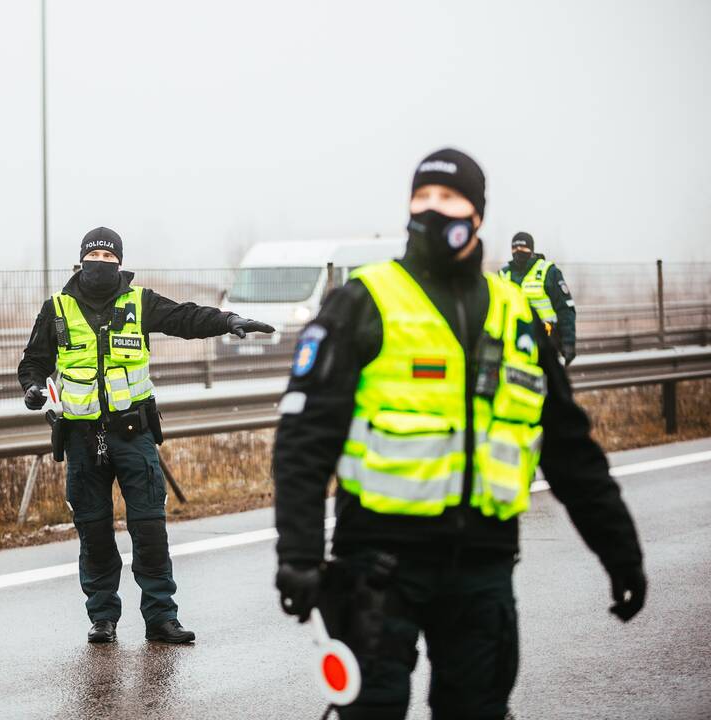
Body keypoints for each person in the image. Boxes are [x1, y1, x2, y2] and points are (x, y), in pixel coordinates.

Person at [272, 149, 646, 719]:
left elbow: (571, 452)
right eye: (421, 197)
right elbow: (304, 438)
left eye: (447, 198)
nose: (431, 208)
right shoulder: (363, 301)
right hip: (377, 566)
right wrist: (298, 554)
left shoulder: (516, 314)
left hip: (483, 569)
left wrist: (620, 552)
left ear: (477, 214)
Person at [18, 226, 274, 644]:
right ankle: (102, 617)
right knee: (95, 532)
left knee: (149, 530)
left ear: (120, 262)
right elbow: (33, 361)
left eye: (108, 257)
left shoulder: (140, 302)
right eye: (93, 257)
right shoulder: (57, 309)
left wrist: (228, 320)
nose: (100, 264)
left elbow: (186, 317)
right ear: (80, 260)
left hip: (133, 434)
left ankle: (161, 617)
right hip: (82, 440)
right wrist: (31, 388)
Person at [500, 232, 577, 365]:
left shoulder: (549, 272)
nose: (518, 251)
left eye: (523, 248)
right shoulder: (504, 274)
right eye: (514, 248)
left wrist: (568, 343)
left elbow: (565, 309)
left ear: (531, 249)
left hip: (546, 342)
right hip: (514, 344)